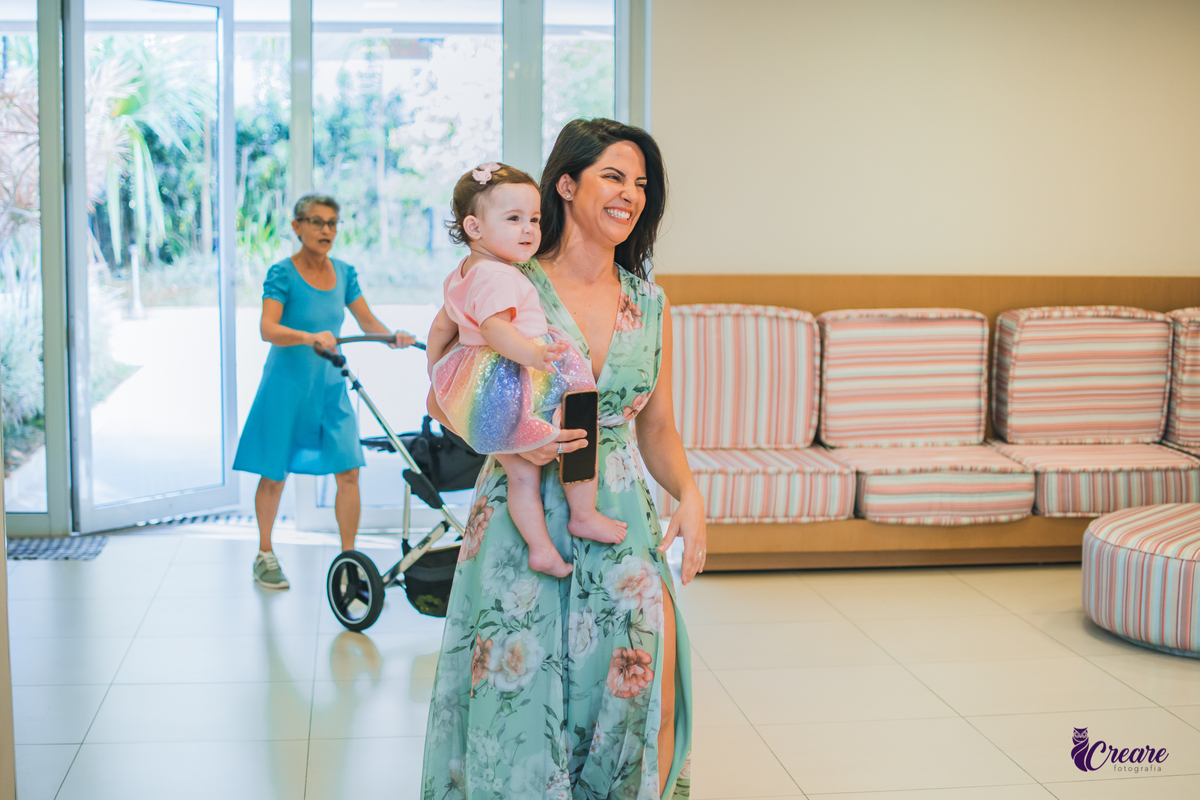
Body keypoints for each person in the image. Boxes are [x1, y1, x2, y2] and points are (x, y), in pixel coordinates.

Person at [421, 119, 706, 799]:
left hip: (616, 507)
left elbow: (658, 429)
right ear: (567, 185)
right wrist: (517, 438)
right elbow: (443, 394)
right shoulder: (505, 281)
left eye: (642, 184)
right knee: (521, 699)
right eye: (614, 176)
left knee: (643, 685)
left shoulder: (650, 303)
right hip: (524, 515)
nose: (630, 194)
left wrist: (690, 498)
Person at [426, 161, 627, 580]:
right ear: (474, 227)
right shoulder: (498, 275)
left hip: (478, 374)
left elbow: (443, 325)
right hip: (512, 370)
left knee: (520, 474)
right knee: (577, 416)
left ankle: (540, 548)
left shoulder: (461, 274)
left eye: (534, 219)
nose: (529, 229)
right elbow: (494, 328)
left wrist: (437, 368)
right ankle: (584, 513)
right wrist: (532, 356)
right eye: (514, 219)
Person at [233, 194, 415, 590]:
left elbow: (367, 321)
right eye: (316, 222)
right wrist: (307, 336)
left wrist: (392, 336)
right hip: (286, 387)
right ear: (297, 227)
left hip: (331, 386)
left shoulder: (345, 272)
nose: (326, 230)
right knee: (273, 473)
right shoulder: (282, 273)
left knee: (348, 469)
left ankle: (348, 560)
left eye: (332, 223)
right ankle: (264, 554)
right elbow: (268, 329)